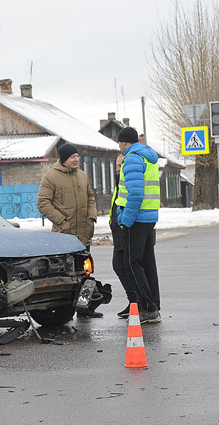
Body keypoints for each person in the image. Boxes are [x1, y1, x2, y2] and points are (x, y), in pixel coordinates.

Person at [37, 142, 105, 318]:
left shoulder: (82, 176)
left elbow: (91, 197)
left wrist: (91, 217)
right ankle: (64, 309)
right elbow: (43, 203)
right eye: (72, 157)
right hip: (63, 235)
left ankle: (85, 307)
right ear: (64, 159)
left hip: (84, 233)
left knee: (85, 271)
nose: (76, 159)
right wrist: (61, 220)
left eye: (77, 156)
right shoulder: (50, 177)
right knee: (67, 274)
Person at [115, 127, 161, 324]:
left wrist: (126, 219)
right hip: (149, 216)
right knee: (148, 263)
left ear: (124, 143)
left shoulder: (133, 158)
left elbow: (135, 194)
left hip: (137, 218)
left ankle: (148, 308)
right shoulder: (148, 157)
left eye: (119, 143)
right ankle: (154, 306)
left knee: (131, 263)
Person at [109, 153, 139, 318]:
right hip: (118, 231)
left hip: (128, 229)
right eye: (117, 166)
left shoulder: (131, 180)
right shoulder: (118, 183)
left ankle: (138, 302)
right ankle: (133, 301)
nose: (119, 169)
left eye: (121, 166)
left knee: (128, 266)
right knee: (119, 265)